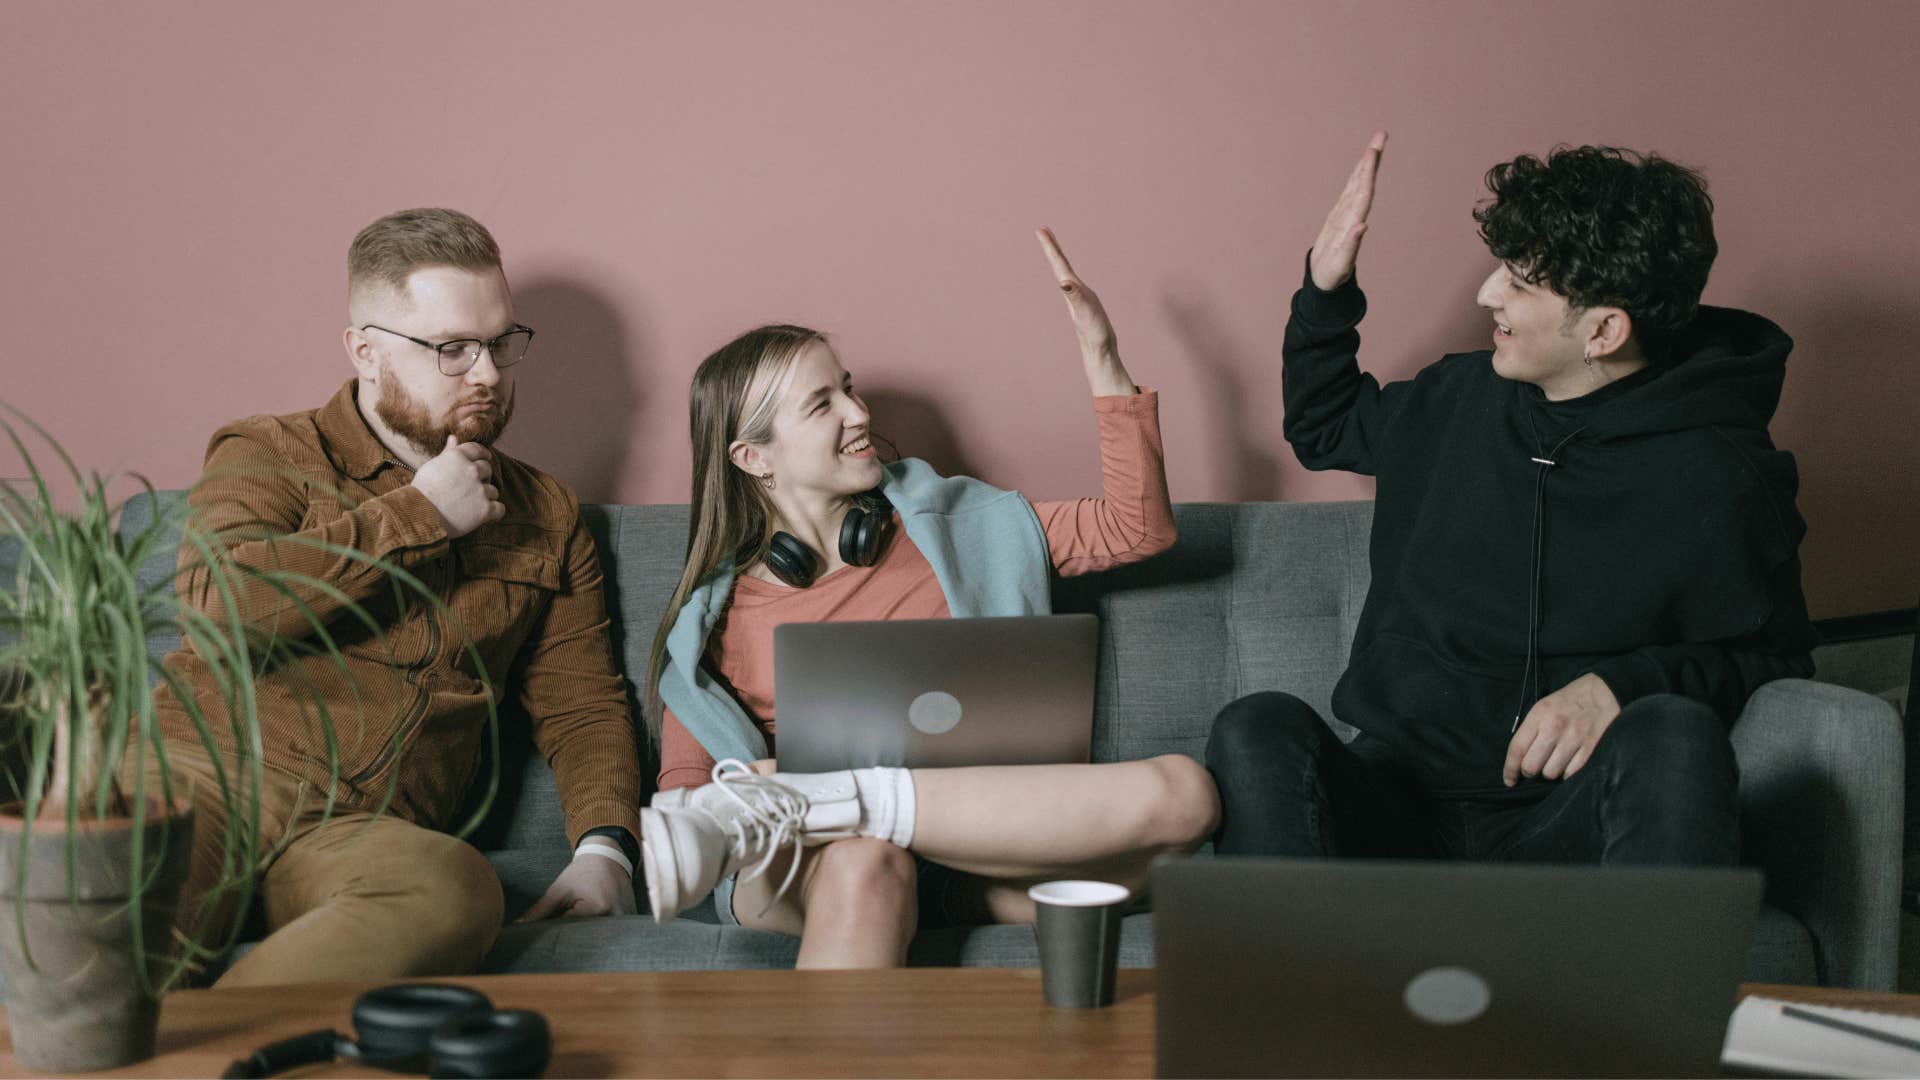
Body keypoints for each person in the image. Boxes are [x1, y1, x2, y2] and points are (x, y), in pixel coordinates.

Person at [1206, 134, 1816, 865]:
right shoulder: (1456, 396)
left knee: (1674, 737)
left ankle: (1648, 978)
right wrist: (1326, 290)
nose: (1487, 293)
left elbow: (1775, 659)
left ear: (1604, 330)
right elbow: (1323, 427)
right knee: (1256, 727)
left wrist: (1623, 687)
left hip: (1567, 817)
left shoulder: (1720, 469)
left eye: (1520, 283)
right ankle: (1288, 977)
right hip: (1394, 800)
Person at [640, 229, 1220, 968]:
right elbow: (691, 804)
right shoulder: (714, 618)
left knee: (1187, 794)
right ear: (754, 458)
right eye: (822, 405)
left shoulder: (962, 525)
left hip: (981, 841)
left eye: (847, 386)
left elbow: (1136, 528)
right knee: (864, 864)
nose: (857, 412)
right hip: (808, 863)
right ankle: (841, 815)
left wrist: (1102, 357)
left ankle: (852, 807)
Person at [149, 208, 643, 987]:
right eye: (451, 348)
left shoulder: (547, 515)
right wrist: (419, 514)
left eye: (500, 343)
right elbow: (218, 602)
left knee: (453, 890)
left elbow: (583, 706)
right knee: (108, 903)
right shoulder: (268, 451)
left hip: (365, 834)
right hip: (206, 775)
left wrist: (605, 848)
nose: (486, 373)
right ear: (366, 351)